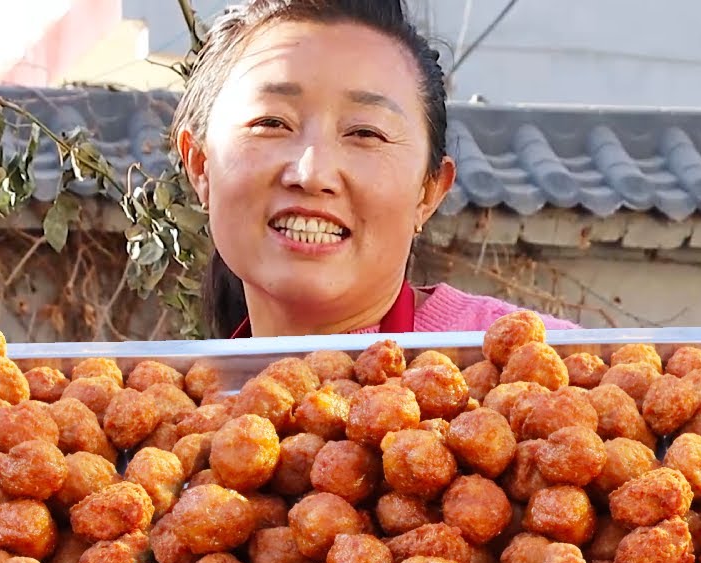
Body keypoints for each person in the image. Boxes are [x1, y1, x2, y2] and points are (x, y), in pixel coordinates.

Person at [170, 0, 578, 339]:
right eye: (272, 124)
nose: (312, 174)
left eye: (365, 132)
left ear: (428, 192)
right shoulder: (177, 411)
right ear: (201, 166)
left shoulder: (552, 375)